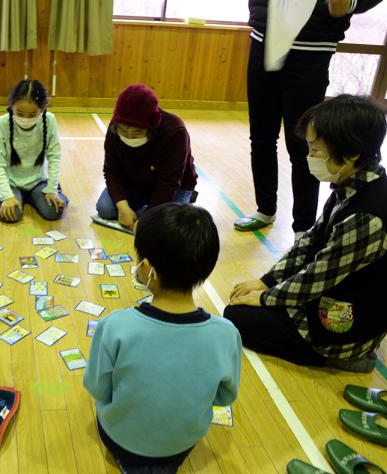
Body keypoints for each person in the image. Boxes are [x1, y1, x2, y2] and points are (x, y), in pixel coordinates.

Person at [226, 95, 387, 373]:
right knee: (243, 311)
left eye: (316, 151)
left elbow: (319, 276)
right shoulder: (354, 182)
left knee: (236, 317)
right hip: (332, 298)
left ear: (352, 152)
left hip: (347, 325)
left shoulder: (367, 215)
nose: (310, 157)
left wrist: (265, 297)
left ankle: (342, 358)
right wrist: (266, 280)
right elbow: (309, 244)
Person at [84, 203, 241, 473]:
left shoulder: (115, 325)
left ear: (146, 268)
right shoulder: (226, 334)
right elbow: (225, 396)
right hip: (184, 444)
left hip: (121, 440)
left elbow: (97, 388)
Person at [234, 0, 382, 235]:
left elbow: (343, 7)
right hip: (264, 40)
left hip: (313, 50)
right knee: (261, 138)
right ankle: (265, 208)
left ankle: (303, 228)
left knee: (306, 145)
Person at [95, 83, 197, 230]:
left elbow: (169, 183)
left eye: (137, 132)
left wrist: (148, 219)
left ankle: (169, 206)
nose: (128, 136)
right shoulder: (116, 126)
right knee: (105, 209)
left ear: (152, 128)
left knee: (169, 227)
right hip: (134, 182)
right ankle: (144, 210)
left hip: (174, 186)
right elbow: (111, 171)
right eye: (123, 131)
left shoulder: (175, 131)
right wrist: (122, 206)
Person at [0, 79, 68, 222]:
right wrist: (7, 196)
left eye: (32, 114)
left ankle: (46, 194)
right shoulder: (2, 123)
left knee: (53, 212)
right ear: (11, 106)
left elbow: (55, 156)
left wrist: (52, 189)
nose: (25, 119)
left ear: (43, 109)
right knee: (13, 215)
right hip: (13, 184)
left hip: (37, 183)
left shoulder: (49, 120)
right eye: (20, 113)